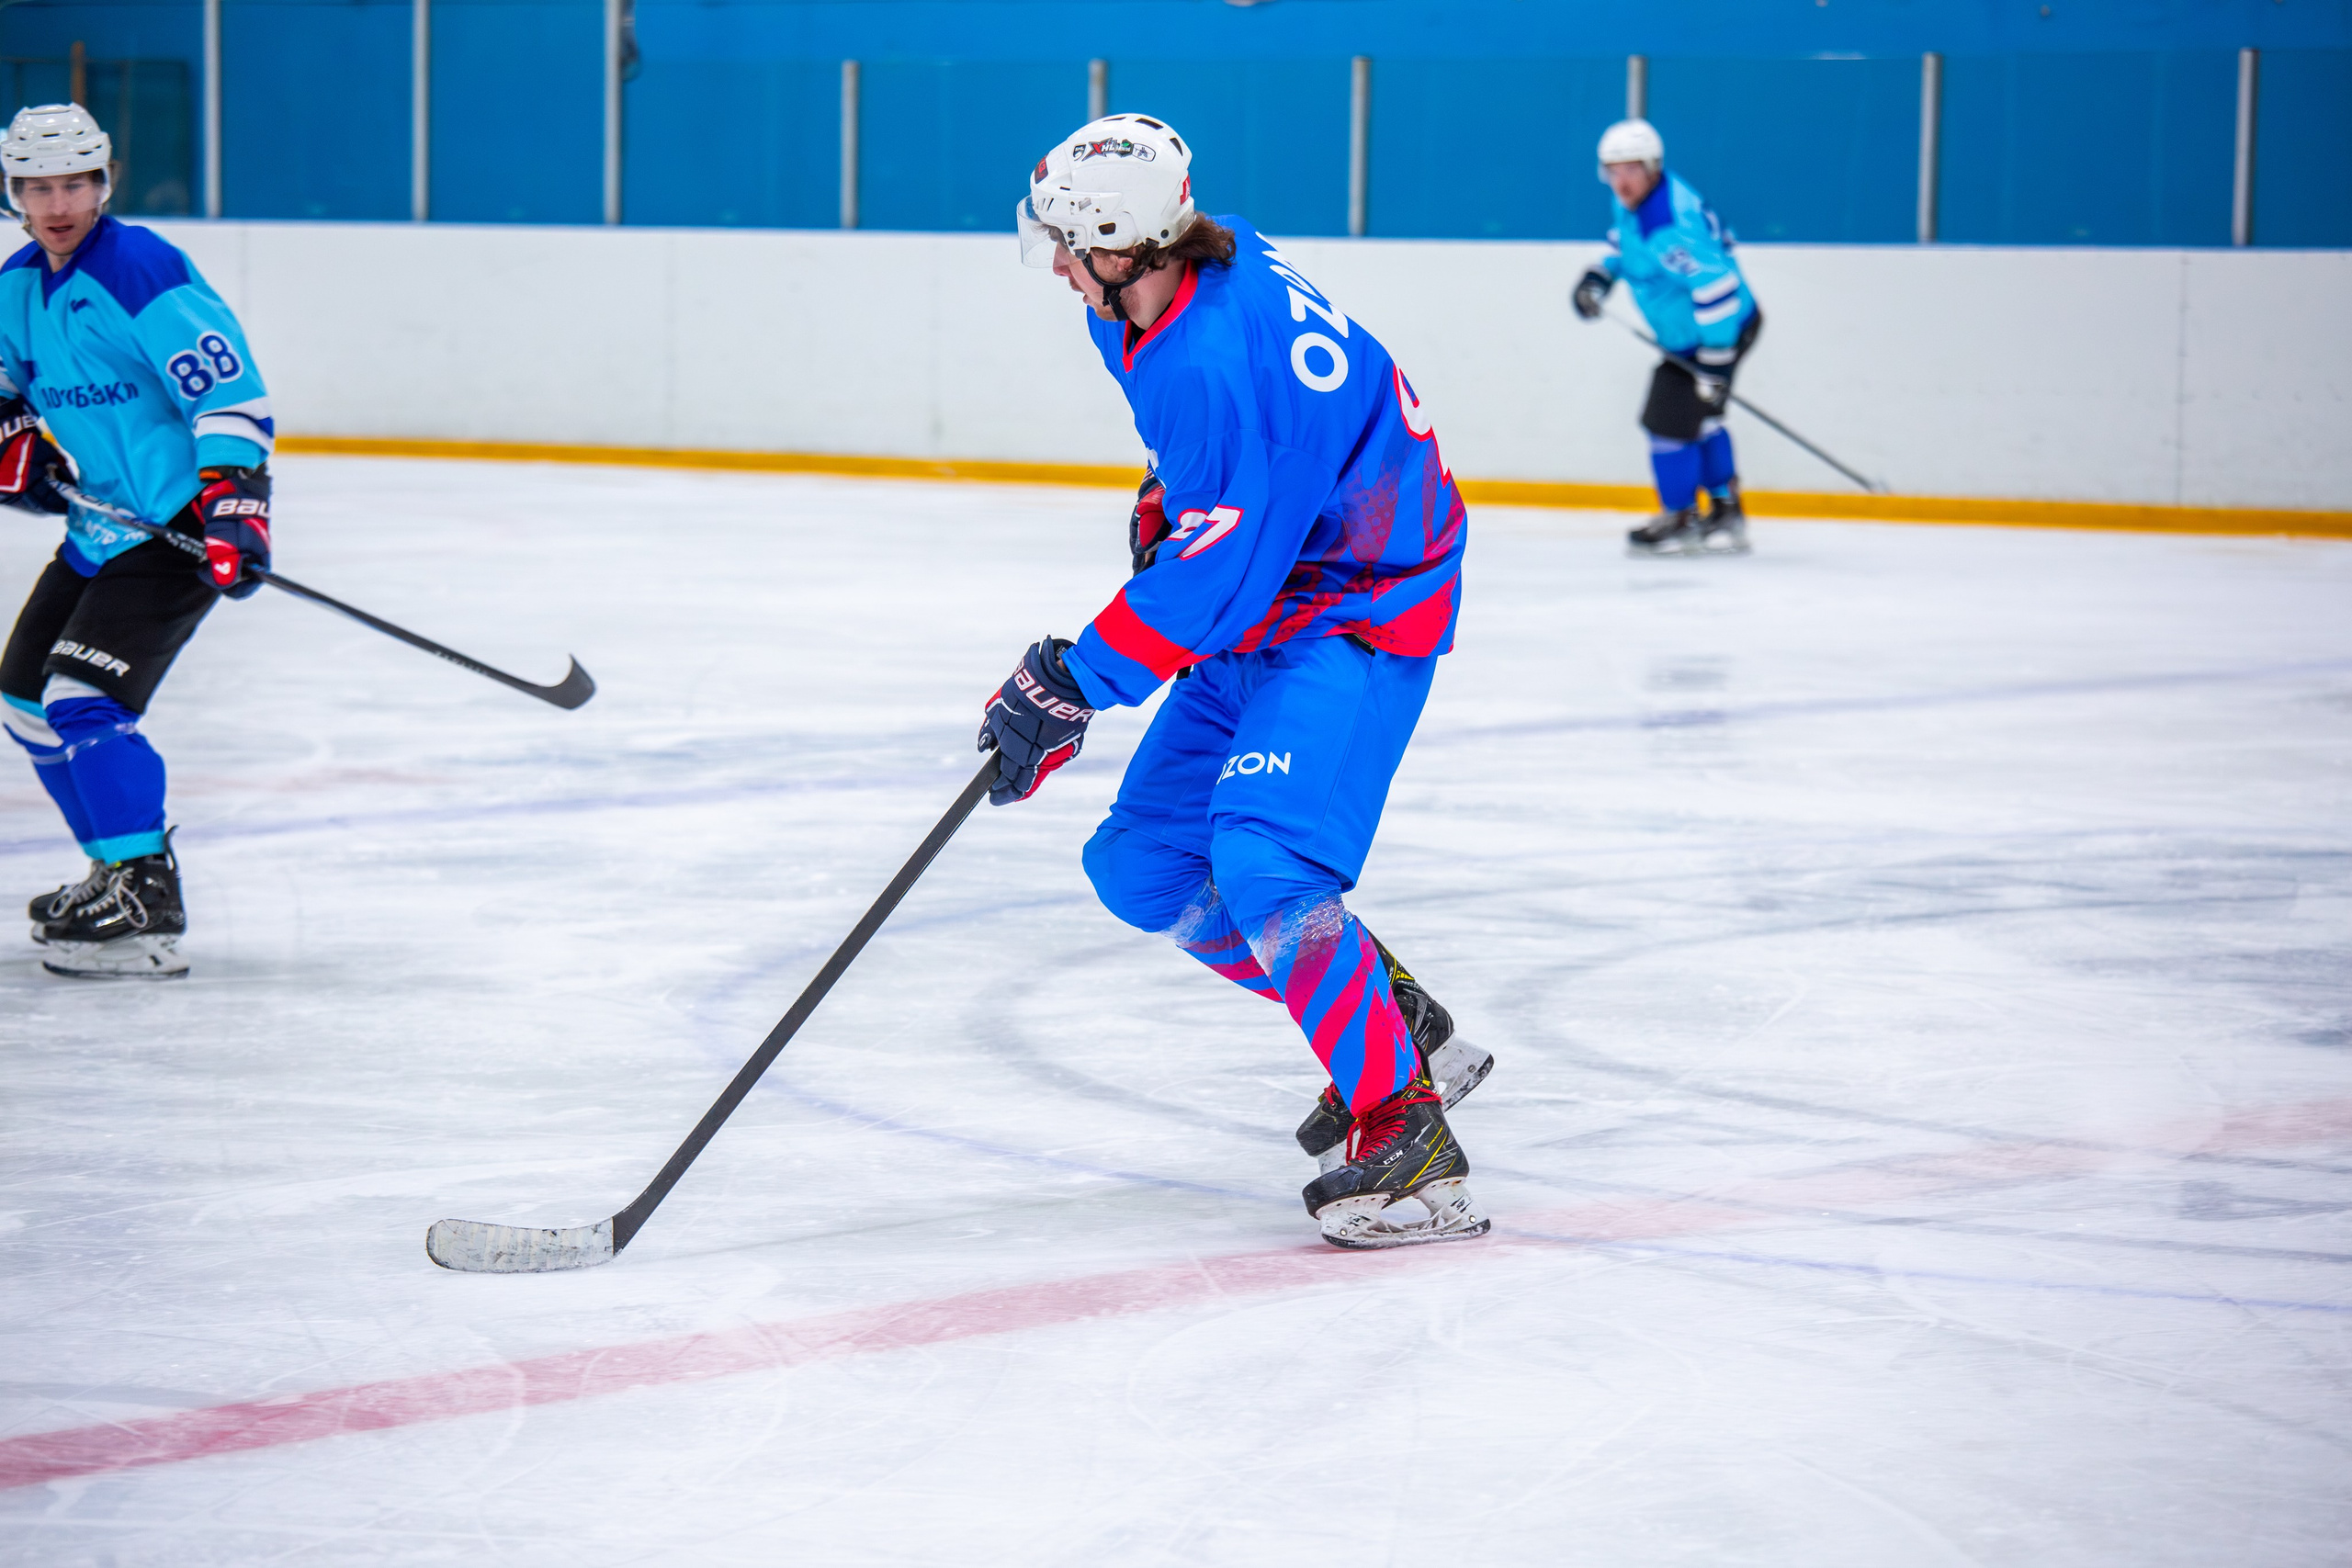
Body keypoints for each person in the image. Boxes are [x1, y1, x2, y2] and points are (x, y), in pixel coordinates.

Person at [978, 114, 1494, 1249]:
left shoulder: (1204, 351)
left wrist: (1074, 679)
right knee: (1143, 864)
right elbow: (1237, 500)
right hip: (1280, 589)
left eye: (1071, 246)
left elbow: (1224, 571)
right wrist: (1176, 495)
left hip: (1359, 603)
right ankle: (1390, 1023)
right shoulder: (1175, 284)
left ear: (1123, 246)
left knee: (1264, 863)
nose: (1058, 266)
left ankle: (1405, 1132)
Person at [0, 103, 274, 979]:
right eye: (38, 187)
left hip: (176, 528)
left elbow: (226, 386)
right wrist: (14, 446)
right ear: (14, 193)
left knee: (84, 701)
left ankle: (147, 890)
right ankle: (114, 868)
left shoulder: (140, 266)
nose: (58, 204)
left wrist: (235, 503)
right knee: (23, 703)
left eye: (75, 183)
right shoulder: (15, 286)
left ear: (103, 181)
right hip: (100, 527)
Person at [1571, 118, 1762, 557]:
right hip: (1697, 335)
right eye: (1612, 170)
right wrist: (1598, 278)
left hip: (1716, 333)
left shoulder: (1671, 223)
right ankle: (1725, 510)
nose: (1621, 180)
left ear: (1653, 167)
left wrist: (1715, 361)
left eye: (1631, 169)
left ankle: (1679, 517)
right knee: (1703, 417)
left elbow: (1716, 289)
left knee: (1665, 422)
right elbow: (1623, 246)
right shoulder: (1638, 202)